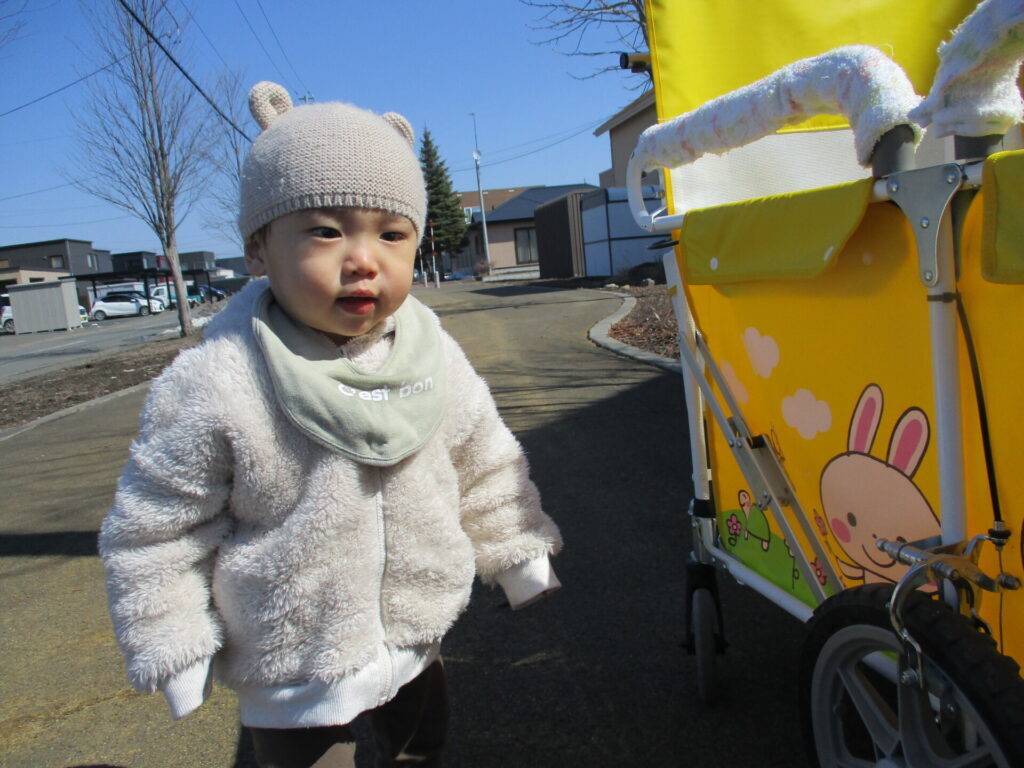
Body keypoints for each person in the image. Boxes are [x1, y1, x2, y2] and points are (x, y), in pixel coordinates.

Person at [99, 81, 563, 768]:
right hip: (294, 660)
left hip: (415, 631)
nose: (363, 259)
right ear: (258, 250)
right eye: (325, 230)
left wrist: (518, 550)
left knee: (422, 748)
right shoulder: (220, 377)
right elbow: (157, 525)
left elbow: (482, 456)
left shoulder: (429, 352)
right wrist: (172, 638)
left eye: (391, 233)